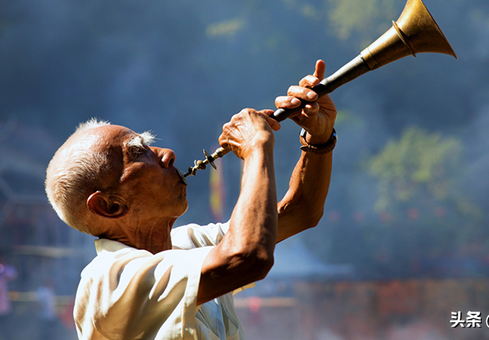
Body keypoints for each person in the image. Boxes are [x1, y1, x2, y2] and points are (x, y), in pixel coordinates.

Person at [45, 60, 336, 339]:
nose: (167, 153)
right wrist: (256, 145)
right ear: (109, 206)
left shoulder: (185, 244)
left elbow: (302, 211)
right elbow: (248, 256)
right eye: (137, 153)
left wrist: (318, 140)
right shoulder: (108, 280)